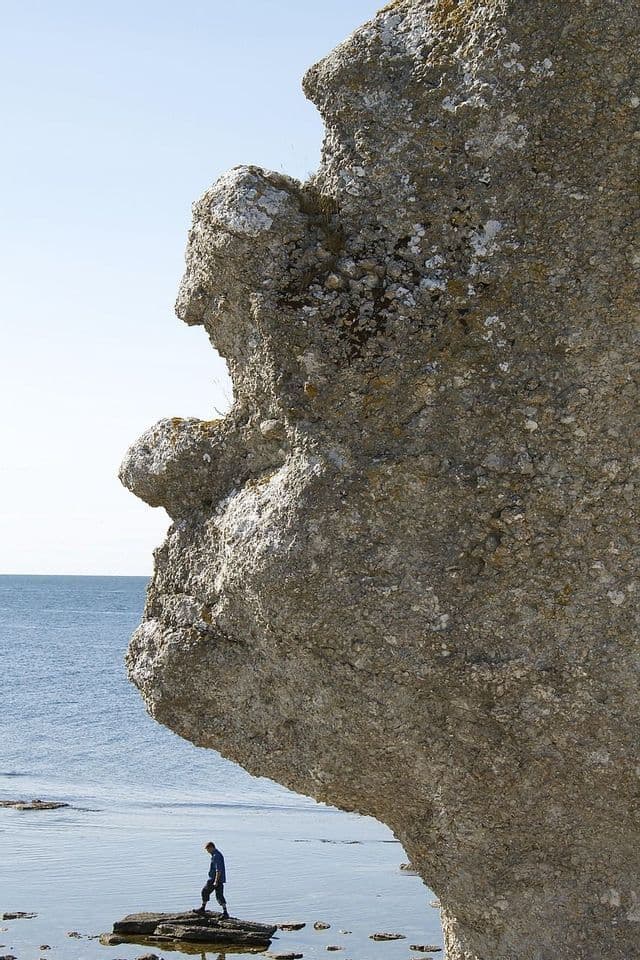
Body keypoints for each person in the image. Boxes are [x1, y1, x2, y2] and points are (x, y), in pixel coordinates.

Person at [196, 841, 228, 918]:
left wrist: (216, 881)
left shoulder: (216, 856)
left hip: (214, 879)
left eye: (208, 849)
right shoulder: (217, 854)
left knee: (205, 891)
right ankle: (225, 912)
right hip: (219, 879)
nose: (207, 851)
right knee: (219, 895)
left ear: (211, 847)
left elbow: (218, 870)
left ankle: (203, 908)